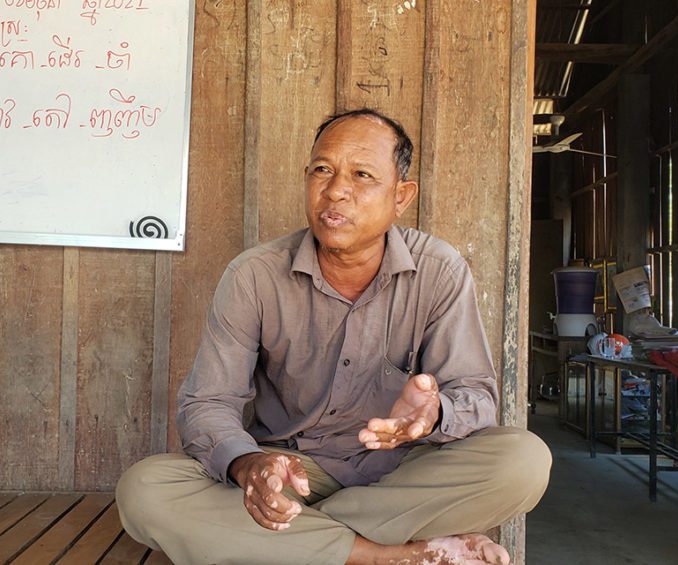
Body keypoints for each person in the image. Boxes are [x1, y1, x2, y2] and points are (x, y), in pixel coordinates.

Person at [117, 108, 551, 564]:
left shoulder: (439, 271)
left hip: (404, 473)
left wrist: (432, 415)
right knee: (145, 491)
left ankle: (298, 543)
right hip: (291, 472)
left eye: (362, 175)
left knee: (523, 461)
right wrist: (249, 465)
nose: (336, 190)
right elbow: (207, 402)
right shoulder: (255, 276)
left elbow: (476, 395)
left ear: (401, 196)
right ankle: (394, 555)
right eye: (322, 170)